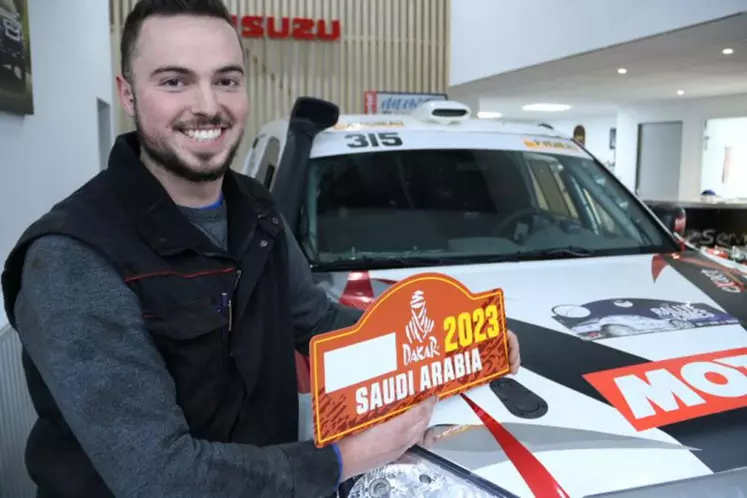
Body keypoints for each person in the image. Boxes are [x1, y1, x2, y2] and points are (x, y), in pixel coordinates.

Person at [1, 1, 521, 497]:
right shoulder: (72, 258)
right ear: (128, 93)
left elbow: (319, 327)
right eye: (175, 81)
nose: (208, 105)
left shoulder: (256, 211)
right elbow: (161, 478)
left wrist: (458, 346)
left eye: (226, 79)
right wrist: (343, 459)